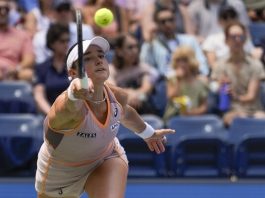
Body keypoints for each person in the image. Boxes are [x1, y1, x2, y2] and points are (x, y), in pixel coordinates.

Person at [35, 36, 175, 198]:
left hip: (105, 157)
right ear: (73, 73)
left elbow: (126, 113)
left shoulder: (118, 96)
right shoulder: (66, 108)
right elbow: (69, 106)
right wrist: (74, 92)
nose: (99, 61)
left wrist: (148, 133)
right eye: (88, 58)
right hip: (61, 173)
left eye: (101, 56)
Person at [211, 21, 265, 126]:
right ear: (226, 40)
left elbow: (251, 96)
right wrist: (221, 87)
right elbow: (215, 89)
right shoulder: (220, 65)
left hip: (254, 111)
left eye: (241, 37)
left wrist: (235, 96)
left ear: (245, 40)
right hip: (231, 112)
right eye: (233, 37)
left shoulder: (255, 64)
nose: (237, 40)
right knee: (233, 119)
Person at [33, 23, 70, 115]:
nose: (66, 44)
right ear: (52, 43)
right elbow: (39, 96)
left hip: (75, 117)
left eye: (67, 41)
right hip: (50, 117)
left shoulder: (76, 66)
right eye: (62, 41)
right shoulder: (42, 68)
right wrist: (52, 115)